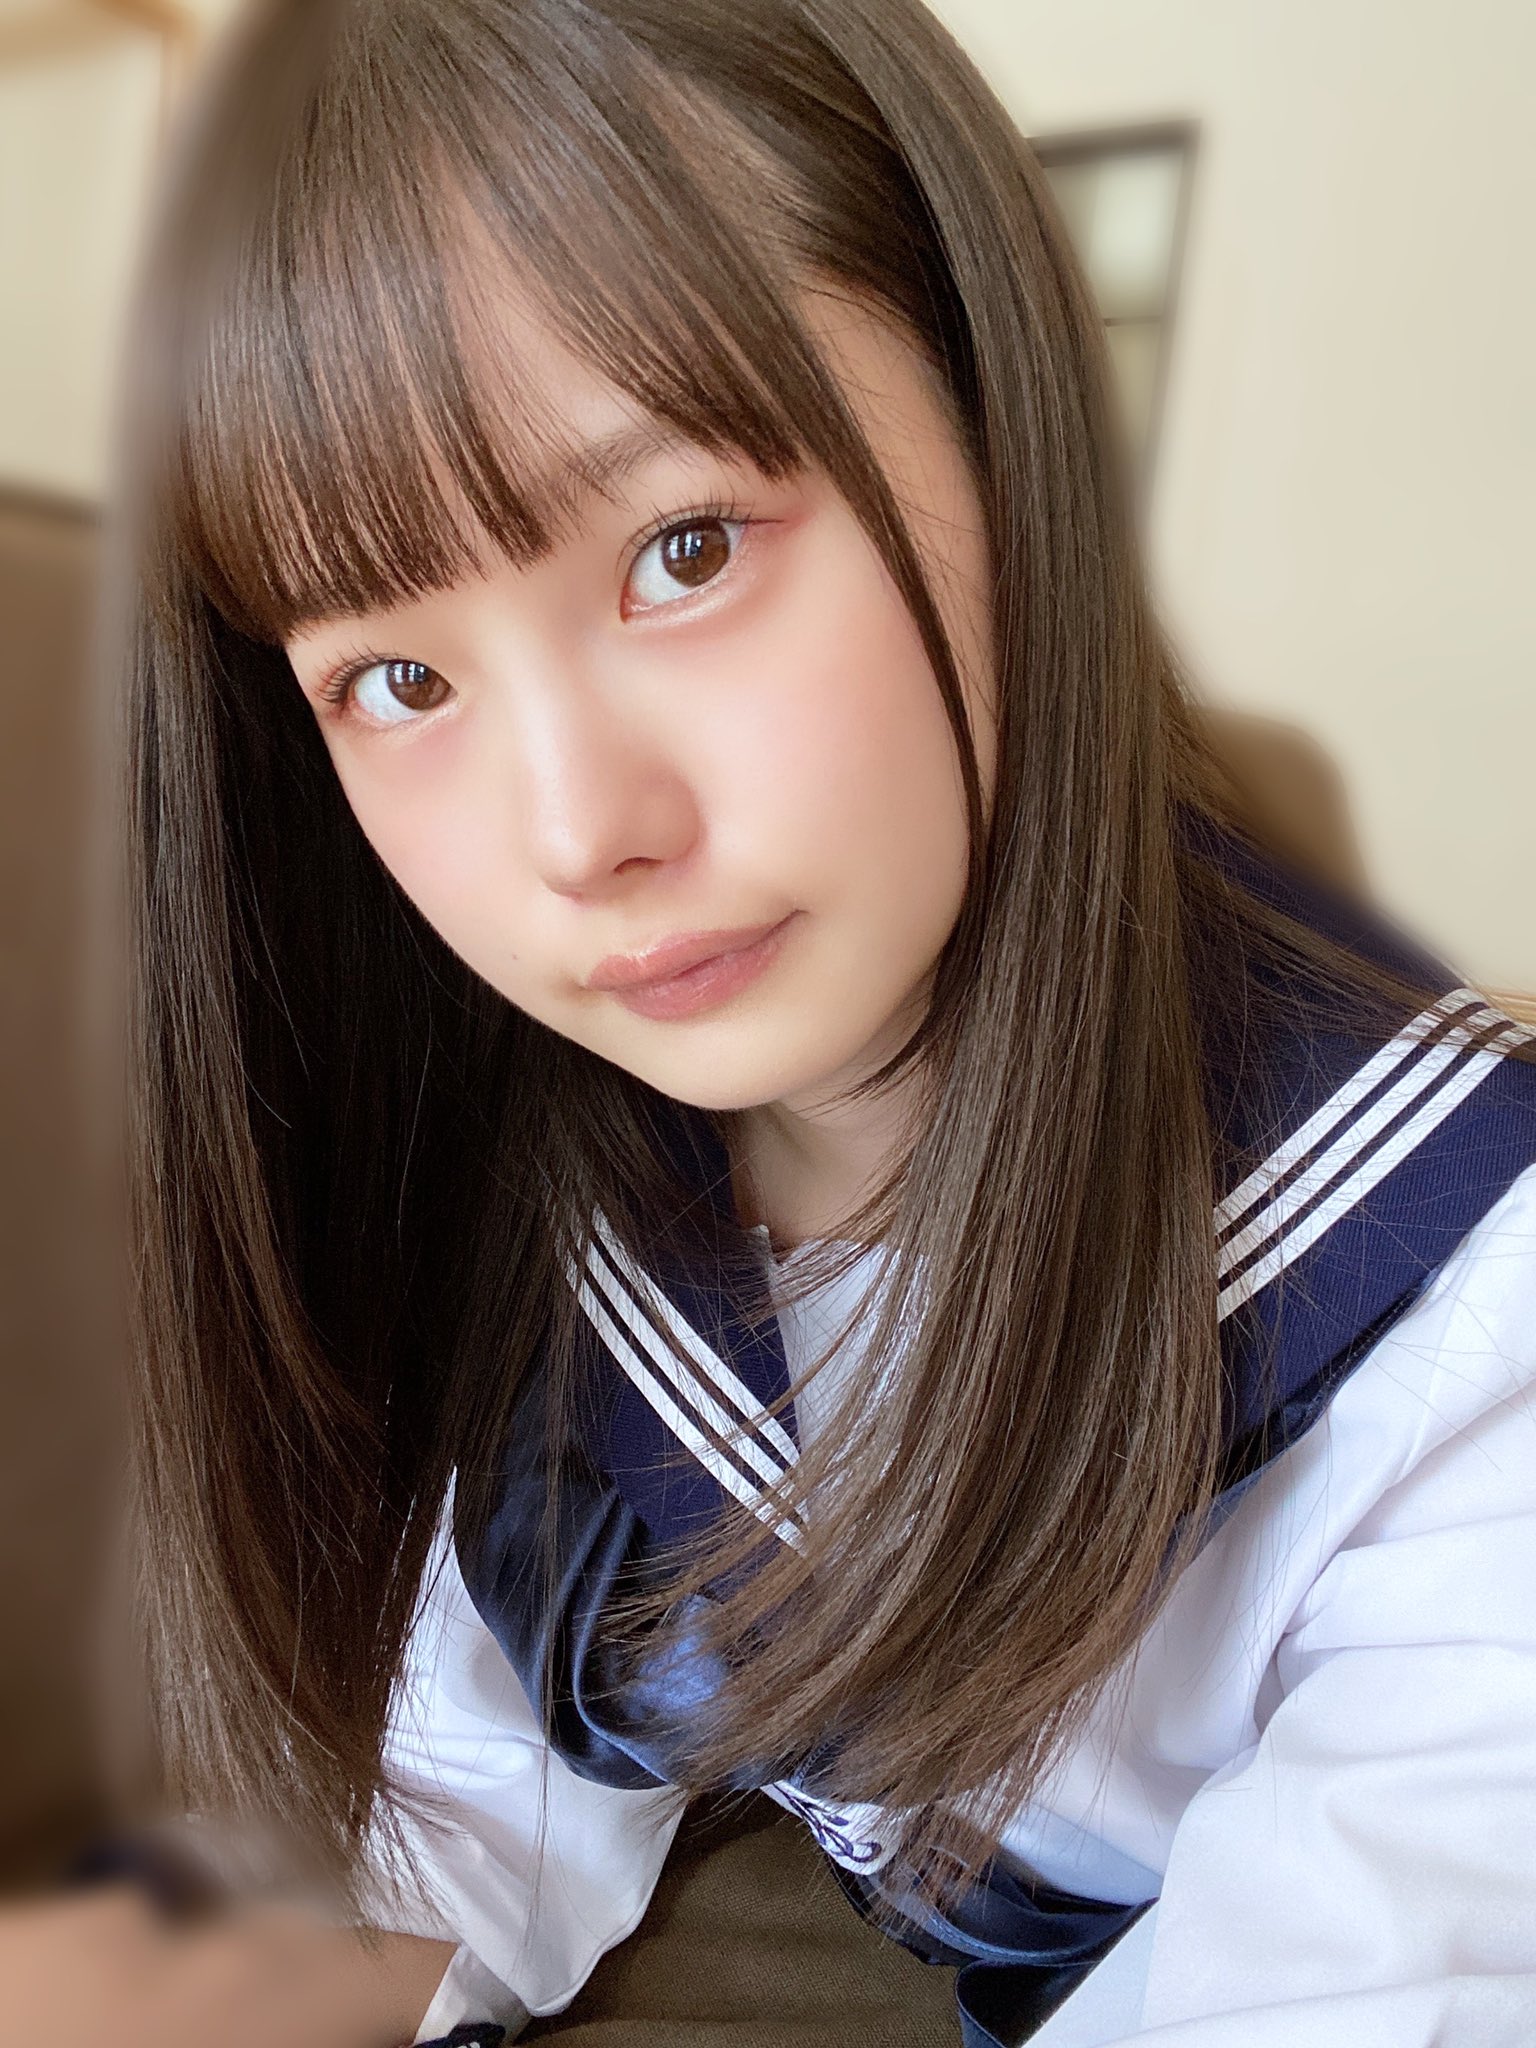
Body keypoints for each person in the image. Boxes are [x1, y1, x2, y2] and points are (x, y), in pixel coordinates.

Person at [14, 0, 1535, 2043]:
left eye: (686, 549)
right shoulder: (571, 1191)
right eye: (400, 680)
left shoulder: (1460, 1319)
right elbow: (433, 1852)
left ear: (1003, 420)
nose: (579, 835)